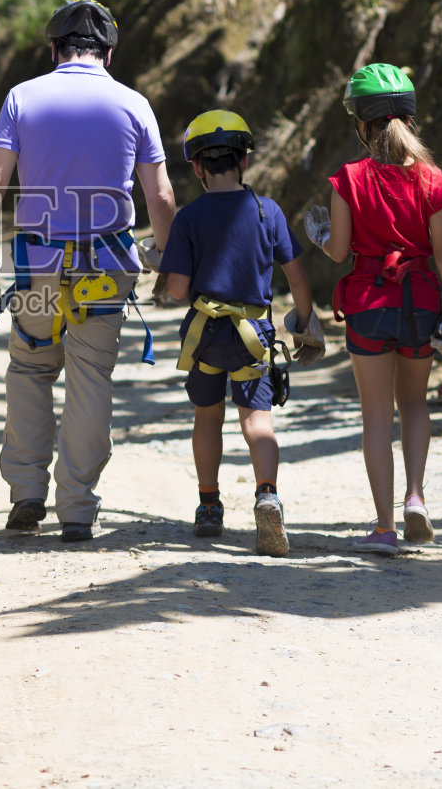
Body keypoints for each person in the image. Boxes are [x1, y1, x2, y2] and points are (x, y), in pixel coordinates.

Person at [0, 0, 177, 543]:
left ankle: (27, 491)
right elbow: (161, 194)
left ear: (54, 49)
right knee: (90, 377)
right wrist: (169, 259)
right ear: (108, 52)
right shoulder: (134, 104)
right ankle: (77, 507)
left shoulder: (22, 97)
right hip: (107, 262)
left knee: (32, 369)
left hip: (40, 263)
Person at [306, 64, 442, 557]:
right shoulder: (431, 177)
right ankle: (416, 497)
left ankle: (384, 528)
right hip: (421, 302)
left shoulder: (349, 179)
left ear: (362, 122)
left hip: (368, 304)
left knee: (377, 416)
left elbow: (339, 251)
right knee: (416, 405)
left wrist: (319, 235)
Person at [158, 110, 325, 556]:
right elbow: (296, 276)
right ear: (244, 161)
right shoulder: (266, 210)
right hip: (254, 332)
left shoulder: (188, 219)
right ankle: (267, 493)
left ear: (196, 167)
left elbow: (176, 290)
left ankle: (209, 505)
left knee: (207, 416)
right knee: (257, 421)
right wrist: (306, 323)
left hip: (206, 335)